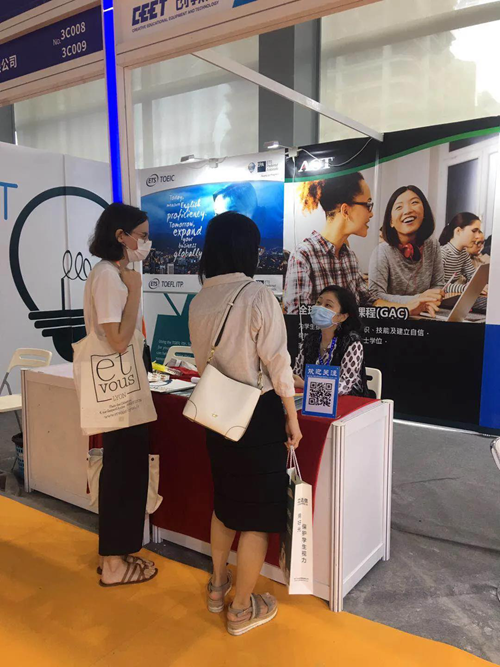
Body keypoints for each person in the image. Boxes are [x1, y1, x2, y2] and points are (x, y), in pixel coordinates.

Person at [189, 211, 302, 636]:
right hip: (257, 417)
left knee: (226, 504)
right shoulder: (257, 295)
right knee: (256, 516)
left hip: (217, 414)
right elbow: (278, 365)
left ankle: (218, 587)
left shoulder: (200, 299)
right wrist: (292, 418)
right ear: (247, 250)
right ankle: (240, 610)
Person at [85, 202, 158, 587]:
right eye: (142, 236)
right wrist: (135, 290)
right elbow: (116, 340)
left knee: (125, 469)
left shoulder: (113, 274)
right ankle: (114, 563)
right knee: (122, 471)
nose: (146, 242)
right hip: (119, 389)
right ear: (121, 236)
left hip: (123, 387)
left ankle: (114, 554)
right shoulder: (109, 277)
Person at [284, 173, 434, 317]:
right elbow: (298, 319)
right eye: (368, 205)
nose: (371, 214)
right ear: (345, 210)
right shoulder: (303, 256)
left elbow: (368, 301)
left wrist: (406, 309)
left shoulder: (349, 256)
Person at [368, 185, 444, 316]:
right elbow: (374, 296)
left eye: (414, 202)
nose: (408, 210)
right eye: (399, 207)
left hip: (426, 316)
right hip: (394, 319)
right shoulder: (382, 252)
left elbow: (438, 284)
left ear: (424, 212)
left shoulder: (433, 246)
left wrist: (432, 298)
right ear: (391, 222)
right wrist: (418, 300)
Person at [293, 285, 369, 397]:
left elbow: (345, 385)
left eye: (328, 305)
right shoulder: (310, 340)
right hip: (313, 399)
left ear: (342, 317)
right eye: (318, 303)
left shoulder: (351, 342)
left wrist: (306, 385)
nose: (320, 308)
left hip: (347, 400)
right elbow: (297, 374)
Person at [439, 212, 484, 294]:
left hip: (454, 295)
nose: (478, 236)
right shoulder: (442, 253)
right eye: (474, 231)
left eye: (479, 231)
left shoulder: (463, 254)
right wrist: (465, 288)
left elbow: (473, 277)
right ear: (458, 231)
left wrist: (481, 286)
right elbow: (439, 286)